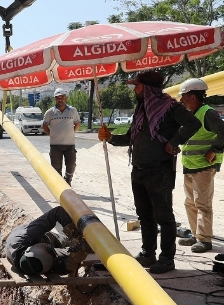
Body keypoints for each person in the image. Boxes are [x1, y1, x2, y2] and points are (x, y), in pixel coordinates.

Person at [98, 70, 201, 274]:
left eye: (137, 85)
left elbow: (193, 123)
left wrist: (174, 142)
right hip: (139, 170)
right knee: (145, 215)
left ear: (149, 88)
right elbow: (130, 138)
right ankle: (148, 254)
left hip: (159, 170)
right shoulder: (141, 111)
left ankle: (166, 259)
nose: (134, 89)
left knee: (164, 216)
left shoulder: (170, 107)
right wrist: (109, 137)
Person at [177, 78, 224, 253]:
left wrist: (214, 149)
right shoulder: (191, 114)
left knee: (202, 203)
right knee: (190, 202)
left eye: (183, 96)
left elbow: (223, 131)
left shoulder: (207, 113)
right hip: (190, 166)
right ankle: (196, 235)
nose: (181, 100)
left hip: (203, 166)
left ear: (192, 97)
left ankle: (205, 240)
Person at [5, 206, 88, 275]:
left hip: (31, 237)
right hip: (38, 251)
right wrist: (73, 260)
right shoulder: (37, 266)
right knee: (77, 251)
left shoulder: (30, 234)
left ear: (34, 247)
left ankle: (72, 242)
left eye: (48, 248)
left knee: (65, 241)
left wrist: (74, 237)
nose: (49, 247)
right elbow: (60, 268)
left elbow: (58, 211)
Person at [43, 88, 81, 186]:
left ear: (66, 98)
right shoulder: (50, 112)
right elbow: (44, 125)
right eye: (57, 98)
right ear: (55, 99)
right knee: (56, 167)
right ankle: (60, 185)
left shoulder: (72, 110)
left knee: (71, 165)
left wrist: (72, 132)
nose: (60, 99)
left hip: (70, 145)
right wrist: (51, 135)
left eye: (62, 97)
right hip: (55, 145)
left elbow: (77, 123)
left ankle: (68, 181)